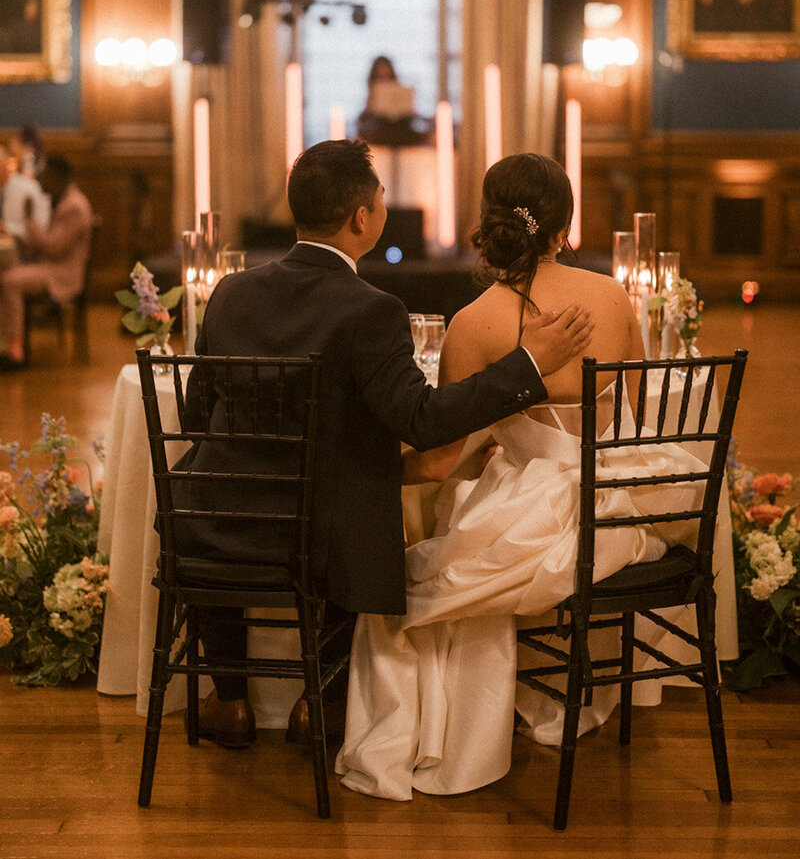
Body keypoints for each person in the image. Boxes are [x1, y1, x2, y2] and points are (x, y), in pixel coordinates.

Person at [173, 139, 594, 748]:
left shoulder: (230, 294)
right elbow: (422, 420)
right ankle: (321, 701)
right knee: (357, 497)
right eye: (382, 200)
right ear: (361, 219)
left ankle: (231, 698)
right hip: (318, 537)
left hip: (214, 522)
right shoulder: (370, 310)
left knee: (220, 488)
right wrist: (528, 363)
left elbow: (197, 415)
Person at [335, 152, 709, 800]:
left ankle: (470, 725)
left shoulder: (474, 322)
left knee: (420, 571)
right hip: (626, 507)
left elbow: (440, 460)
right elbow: (634, 419)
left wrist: (372, 472)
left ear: (489, 225)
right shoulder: (613, 297)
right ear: (563, 230)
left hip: (540, 520)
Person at [0, 154, 92, 371]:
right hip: (51, 266)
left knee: (9, 281)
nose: (40, 181)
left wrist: (30, 220)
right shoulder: (61, 200)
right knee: (7, 274)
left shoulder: (74, 206)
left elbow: (53, 247)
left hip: (63, 274)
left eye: (44, 176)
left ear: (57, 177)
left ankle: (13, 350)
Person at [356, 56, 423, 146]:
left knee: (402, 123)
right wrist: (371, 105)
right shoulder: (373, 90)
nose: (383, 73)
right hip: (381, 126)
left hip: (400, 124)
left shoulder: (401, 89)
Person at [0, 140, 51, 243]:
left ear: (5, 168)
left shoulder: (28, 188)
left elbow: (42, 226)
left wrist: (7, 228)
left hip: (23, 248)